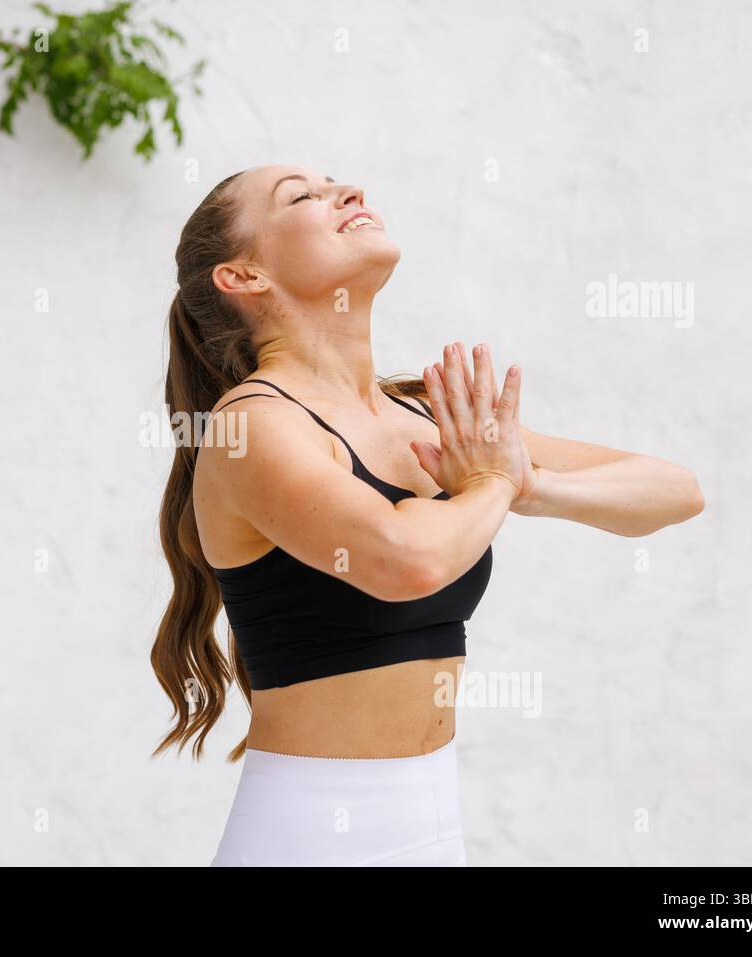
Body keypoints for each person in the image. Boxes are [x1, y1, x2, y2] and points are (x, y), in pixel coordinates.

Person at [151, 164, 705, 866]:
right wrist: (492, 482)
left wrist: (525, 485)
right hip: (306, 836)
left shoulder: (424, 419)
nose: (346, 191)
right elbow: (402, 559)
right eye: (302, 196)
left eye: (335, 183)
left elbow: (676, 489)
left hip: (434, 832)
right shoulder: (252, 425)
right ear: (244, 277)